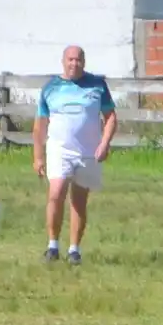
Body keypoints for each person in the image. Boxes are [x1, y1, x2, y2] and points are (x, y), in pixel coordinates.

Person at [32, 45, 117, 265]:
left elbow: (110, 117)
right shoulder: (51, 88)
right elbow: (40, 125)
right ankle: (52, 245)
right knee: (56, 193)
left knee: (79, 200)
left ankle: (74, 249)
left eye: (78, 60)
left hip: (88, 151)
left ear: (84, 62)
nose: (74, 64)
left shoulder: (97, 85)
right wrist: (38, 156)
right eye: (70, 59)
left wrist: (105, 144)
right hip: (60, 149)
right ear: (63, 61)